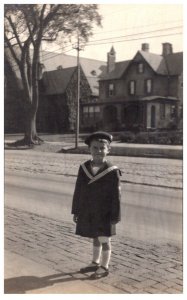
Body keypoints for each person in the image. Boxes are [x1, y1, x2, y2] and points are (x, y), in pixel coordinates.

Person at [71, 131, 121, 279]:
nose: (99, 151)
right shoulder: (84, 167)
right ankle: (95, 262)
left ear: (108, 150)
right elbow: (78, 190)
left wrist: (115, 215)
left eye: (102, 148)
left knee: (105, 238)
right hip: (89, 211)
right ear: (89, 150)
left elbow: (116, 196)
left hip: (106, 212)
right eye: (95, 148)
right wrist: (76, 211)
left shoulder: (112, 171)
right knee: (95, 235)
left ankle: (104, 267)